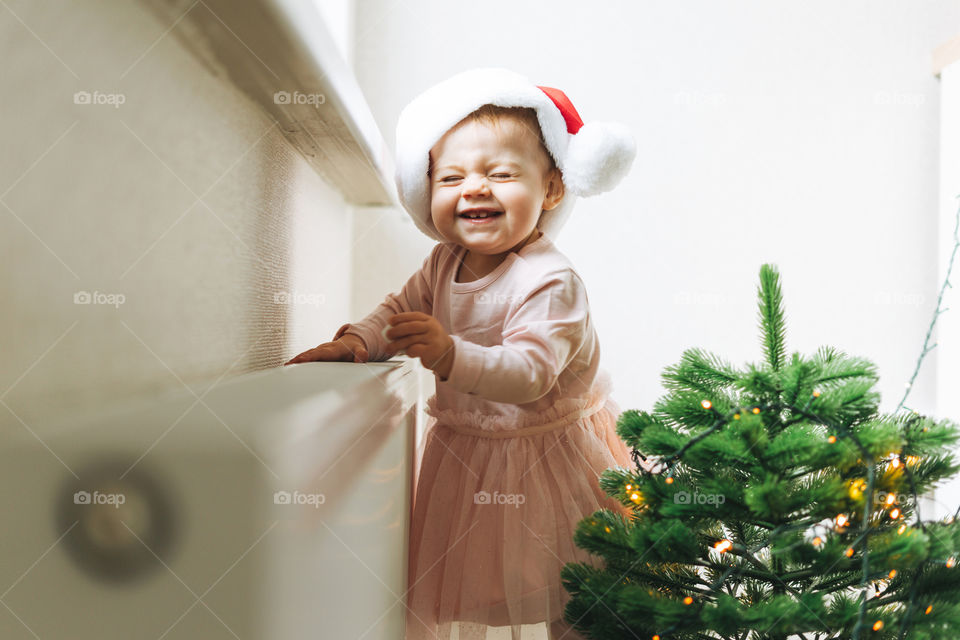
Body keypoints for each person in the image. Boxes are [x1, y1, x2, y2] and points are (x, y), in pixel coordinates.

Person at [286, 68, 641, 640]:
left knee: (574, 591)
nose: (474, 188)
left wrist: (450, 354)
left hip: (549, 455)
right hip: (470, 453)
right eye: (452, 177)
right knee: (464, 588)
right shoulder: (443, 263)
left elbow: (529, 373)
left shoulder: (550, 281)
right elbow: (396, 312)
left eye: (500, 174)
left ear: (551, 188)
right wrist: (358, 342)